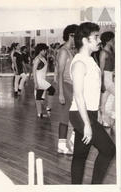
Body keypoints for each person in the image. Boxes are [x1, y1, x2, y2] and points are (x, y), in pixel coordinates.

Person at [69, 22, 115, 184]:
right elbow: (79, 95)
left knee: (80, 156)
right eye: (95, 37)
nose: (99, 40)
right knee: (109, 150)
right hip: (81, 114)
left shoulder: (89, 60)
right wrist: (87, 124)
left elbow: (94, 91)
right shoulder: (80, 63)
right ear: (84, 40)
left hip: (89, 113)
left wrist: (100, 111)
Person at [56, 24, 78, 154]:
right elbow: (60, 73)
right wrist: (61, 93)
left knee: (75, 115)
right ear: (71, 36)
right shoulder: (63, 51)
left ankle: (70, 142)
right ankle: (63, 144)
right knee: (67, 115)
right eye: (77, 36)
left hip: (72, 86)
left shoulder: (71, 51)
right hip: (65, 85)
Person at [33, 43, 55, 118]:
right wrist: (35, 82)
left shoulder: (43, 58)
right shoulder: (37, 59)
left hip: (42, 79)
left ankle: (40, 113)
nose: (45, 51)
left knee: (39, 96)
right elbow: (34, 71)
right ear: (40, 50)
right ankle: (48, 108)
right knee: (52, 90)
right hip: (39, 80)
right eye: (44, 50)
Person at [99, 31, 115, 127]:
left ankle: (105, 120)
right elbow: (101, 70)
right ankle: (112, 116)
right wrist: (102, 84)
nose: (114, 41)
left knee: (104, 102)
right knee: (104, 101)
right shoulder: (103, 53)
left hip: (110, 77)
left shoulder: (111, 51)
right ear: (108, 40)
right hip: (106, 78)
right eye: (112, 39)